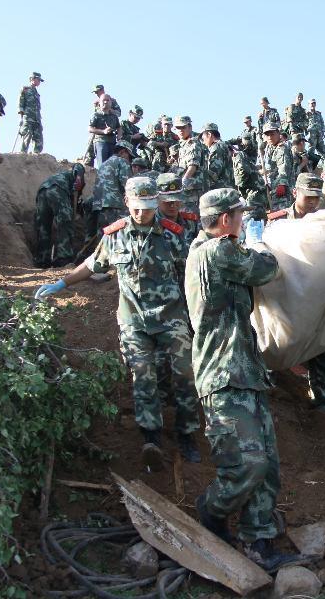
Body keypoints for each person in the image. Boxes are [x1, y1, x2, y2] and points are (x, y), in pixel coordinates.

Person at [36, 177, 202, 467]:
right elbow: (92, 265)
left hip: (170, 316)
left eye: (147, 207)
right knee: (143, 374)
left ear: (155, 204)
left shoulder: (172, 234)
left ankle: (187, 433)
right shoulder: (115, 235)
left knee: (185, 372)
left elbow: (191, 271)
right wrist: (62, 283)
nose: (141, 213)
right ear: (126, 202)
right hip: (133, 319)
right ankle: (151, 438)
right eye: (136, 207)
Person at [186, 188, 303, 570]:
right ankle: (211, 509)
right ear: (226, 220)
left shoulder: (215, 251)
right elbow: (266, 269)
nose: (243, 221)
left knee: (267, 466)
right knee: (248, 464)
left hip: (246, 373)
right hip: (223, 375)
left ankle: (259, 542)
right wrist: (258, 243)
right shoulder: (216, 251)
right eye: (240, 216)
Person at [265, 174, 325, 412]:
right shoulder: (277, 221)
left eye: (316, 198)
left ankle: (324, 401)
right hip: (282, 295)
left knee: (323, 347)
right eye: (308, 197)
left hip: (312, 298)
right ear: (295, 193)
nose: (313, 203)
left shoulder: (323, 224)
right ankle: (269, 388)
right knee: (272, 341)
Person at [34, 163, 85, 268]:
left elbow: (74, 202)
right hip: (58, 189)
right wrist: (79, 178)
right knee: (65, 223)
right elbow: (78, 166)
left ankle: (42, 260)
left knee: (43, 227)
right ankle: (63, 259)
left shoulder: (63, 178)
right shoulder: (74, 177)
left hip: (42, 191)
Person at [233, 136, 269, 220]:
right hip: (259, 194)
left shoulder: (239, 155)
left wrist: (240, 188)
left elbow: (242, 171)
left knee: (252, 221)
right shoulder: (247, 157)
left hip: (253, 195)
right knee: (260, 220)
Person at [261, 122, 293, 210]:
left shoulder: (281, 148)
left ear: (278, 134)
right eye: (267, 135)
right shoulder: (269, 148)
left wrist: (282, 184)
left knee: (282, 212)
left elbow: (283, 167)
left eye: (272, 134)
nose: (270, 137)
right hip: (272, 187)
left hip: (282, 188)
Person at [88, 94, 119, 168]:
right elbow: (90, 129)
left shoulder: (114, 116)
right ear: (100, 103)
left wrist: (119, 136)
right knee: (102, 165)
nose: (105, 102)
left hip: (112, 142)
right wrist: (103, 131)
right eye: (103, 100)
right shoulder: (96, 115)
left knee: (112, 166)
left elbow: (119, 127)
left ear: (111, 102)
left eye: (107, 100)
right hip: (101, 141)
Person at [201, 123, 234, 190]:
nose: (203, 141)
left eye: (203, 138)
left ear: (209, 134)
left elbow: (214, 172)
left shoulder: (216, 147)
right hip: (225, 188)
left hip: (220, 190)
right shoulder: (222, 145)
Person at [18, 72, 43, 153]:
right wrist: (21, 118)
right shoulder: (25, 89)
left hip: (37, 118)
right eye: (38, 79)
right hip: (28, 117)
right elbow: (21, 105)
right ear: (32, 79)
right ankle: (23, 153)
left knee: (38, 137)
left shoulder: (37, 93)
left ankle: (37, 154)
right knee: (27, 135)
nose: (39, 82)